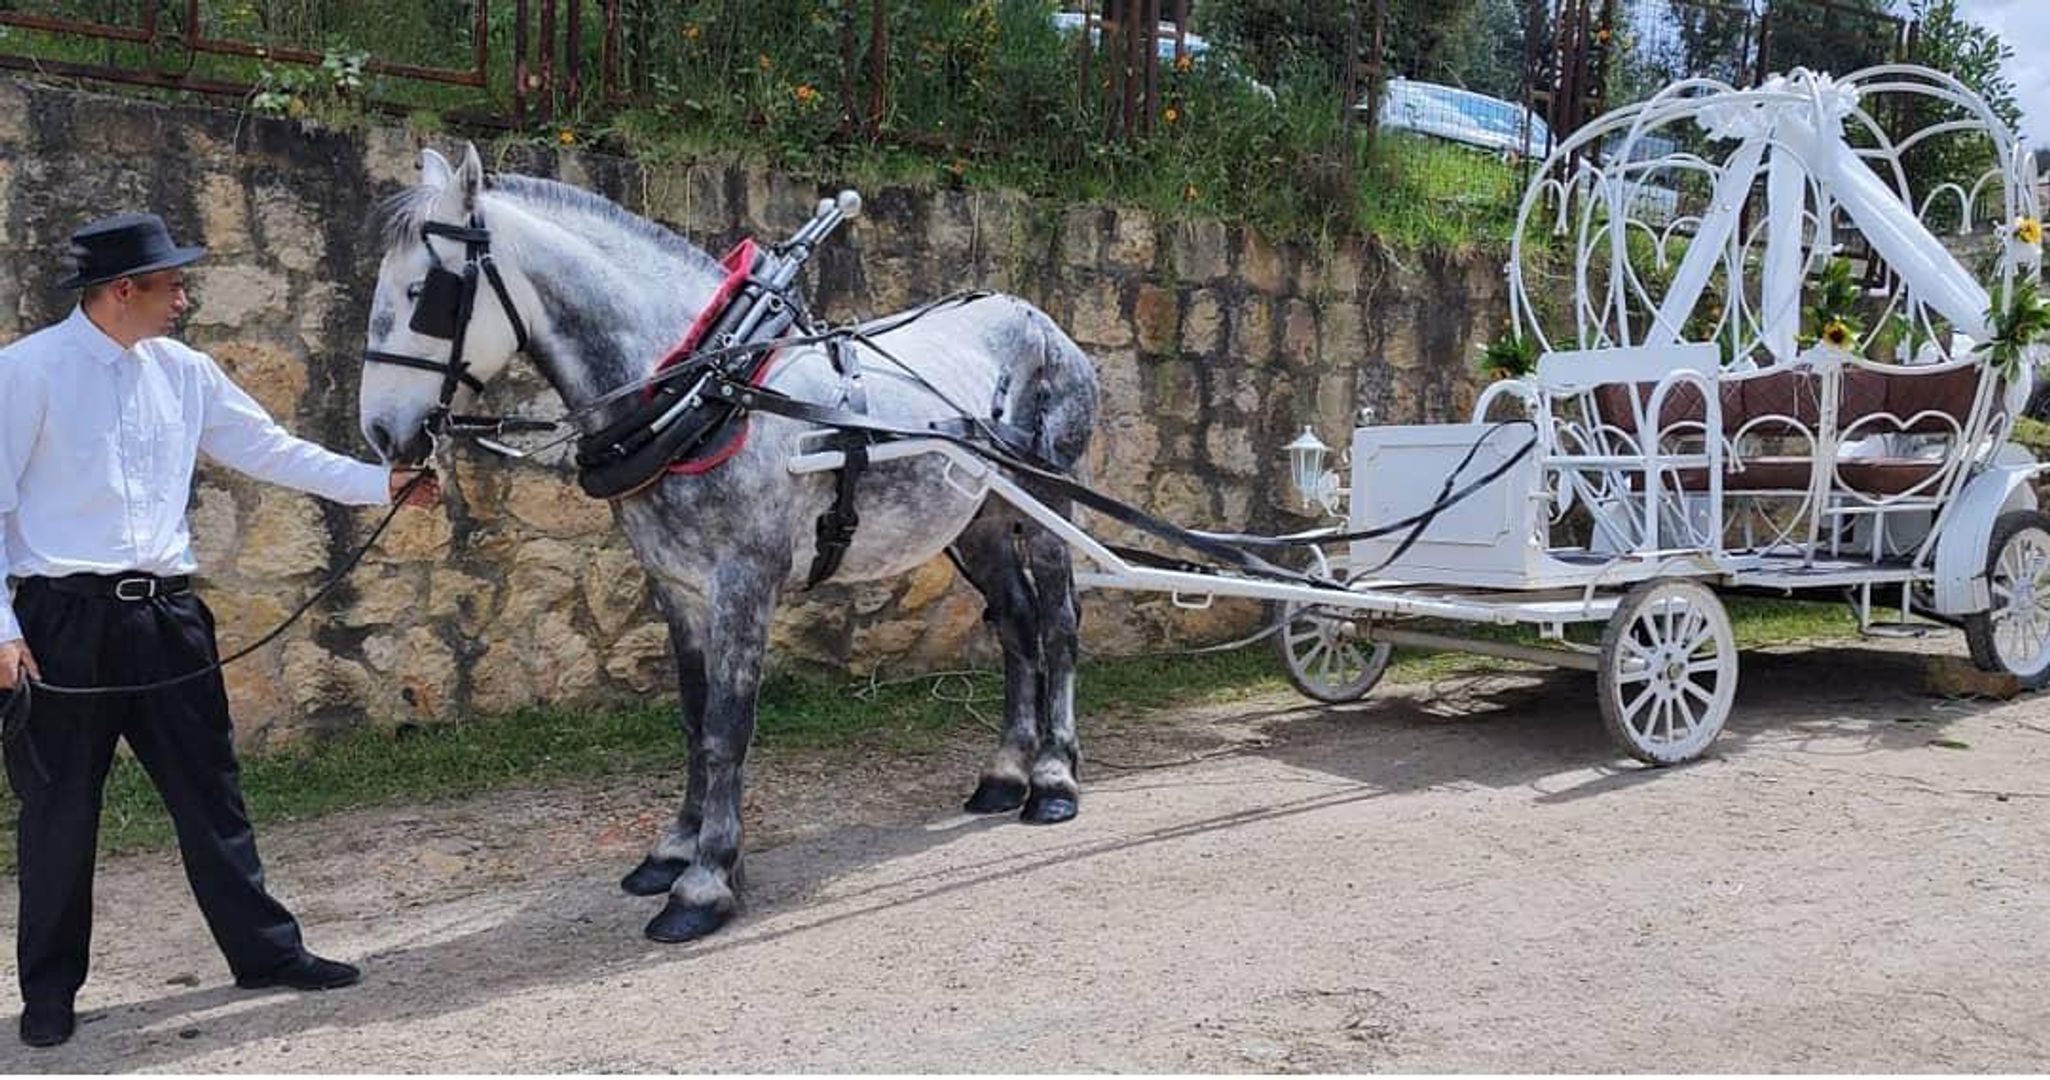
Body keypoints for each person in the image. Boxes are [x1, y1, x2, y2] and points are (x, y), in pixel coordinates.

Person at [0, 212, 441, 1049]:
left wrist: (381, 486)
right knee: (59, 812)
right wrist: (2, 631)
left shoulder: (186, 372)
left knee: (213, 800)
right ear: (122, 290)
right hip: (62, 624)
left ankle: (267, 955)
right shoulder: (24, 374)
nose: (183, 296)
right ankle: (50, 993)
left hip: (168, 619)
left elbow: (272, 450)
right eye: (170, 283)